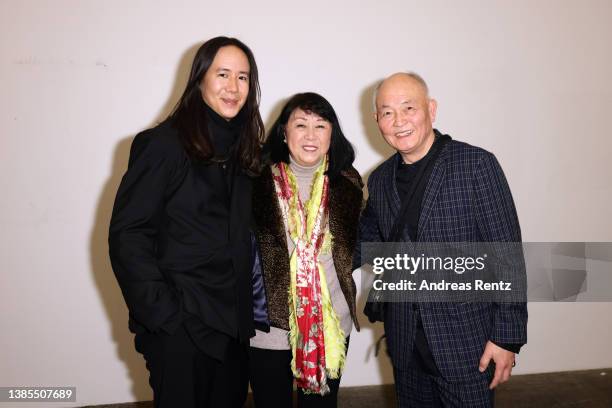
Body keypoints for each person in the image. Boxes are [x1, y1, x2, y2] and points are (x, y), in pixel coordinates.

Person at [108, 36, 264, 408]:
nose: (233, 87)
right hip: (181, 329)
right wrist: (166, 317)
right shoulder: (163, 144)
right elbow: (128, 235)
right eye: (222, 74)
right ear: (200, 79)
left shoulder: (246, 153)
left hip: (233, 332)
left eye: (243, 77)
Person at [355, 72, 527, 407]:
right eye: (387, 112)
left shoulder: (475, 165)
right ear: (377, 120)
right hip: (406, 345)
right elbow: (368, 240)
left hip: (466, 344)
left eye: (409, 108)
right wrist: (312, 254)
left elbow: (507, 256)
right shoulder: (380, 180)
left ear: (431, 110)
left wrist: (506, 337)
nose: (399, 121)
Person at [249, 92, 363, 407]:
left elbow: (361, 243)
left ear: (332, 135)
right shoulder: (253, 183)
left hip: (330, 326)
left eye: (320, 126)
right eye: (301, 125)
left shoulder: (349, 184)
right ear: (284, 133)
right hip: (269, 330)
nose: (310, 135)